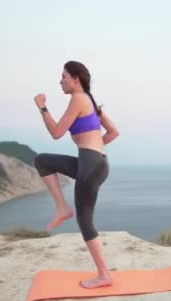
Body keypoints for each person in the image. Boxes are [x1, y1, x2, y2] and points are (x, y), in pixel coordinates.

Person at [33, 60, 120, 289]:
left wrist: (42, 107)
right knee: (42, 161)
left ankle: (104, 275)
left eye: (63, 76)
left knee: (85, 221)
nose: (60, 81)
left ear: (75, 78)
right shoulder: (90, 100)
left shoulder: (79, 99)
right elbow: (114, 132)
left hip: (90, 164)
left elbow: (57, 132)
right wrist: (95, 146)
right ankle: (62, 208)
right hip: (95, 162)